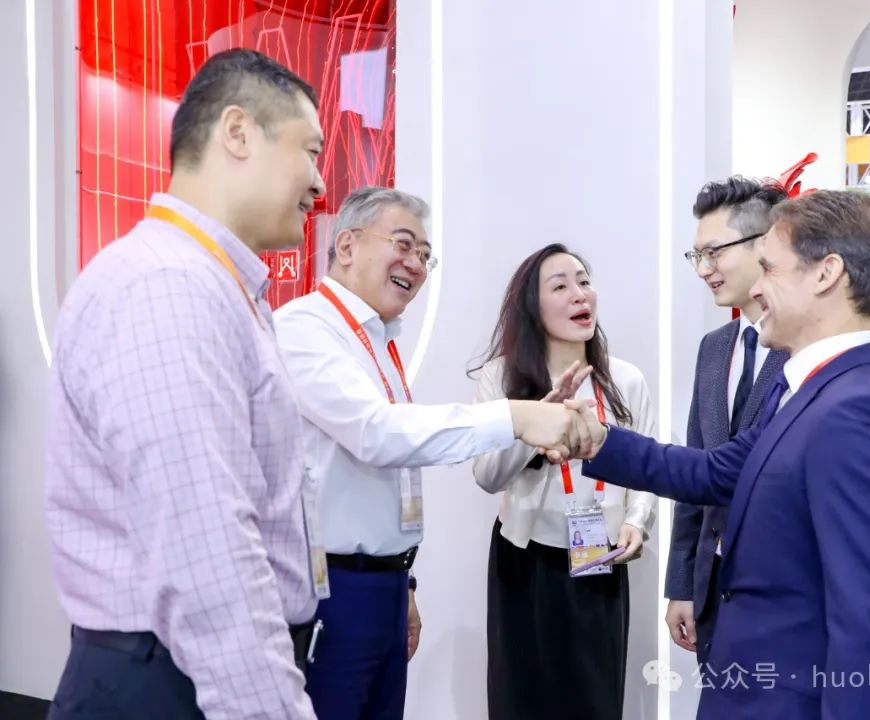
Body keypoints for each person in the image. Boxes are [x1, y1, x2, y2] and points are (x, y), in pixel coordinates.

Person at [45, 49, 328, 719]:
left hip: (184, 672)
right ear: (238, 132)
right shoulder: (169, 288)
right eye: (310, 151)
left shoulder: (209, 283)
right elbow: (207, 557)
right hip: (170, 682)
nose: (319, 182)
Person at [570, 191, 870, 720]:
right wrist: (594, 439)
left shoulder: (858, 411)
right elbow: (715, 471)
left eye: (770, 269)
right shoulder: (805, 389)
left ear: (826, 273)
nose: (756, 288)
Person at [273, 189, 589, 720]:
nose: (416, 265)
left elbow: (388, 475)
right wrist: (515, 417)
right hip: (330, 591)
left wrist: (405, 582)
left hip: (385, 586)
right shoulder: (304, 328)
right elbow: (378, 435)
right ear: (346, 246)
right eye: (403, 245)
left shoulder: (378, 340)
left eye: (424, 254)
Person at [472, 243, 658, 720]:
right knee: (522, 700)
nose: (580, 294)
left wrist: (637, 521)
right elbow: (487, 476)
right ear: (532, 307)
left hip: (599, 559)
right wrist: (538, 422)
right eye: (560, 286)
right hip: (524, 559)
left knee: (595, 701)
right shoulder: (501, 378)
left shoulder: (626, 379)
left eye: (584, 281)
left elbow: (646, 469)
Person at [666, 178, 789, 671]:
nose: (704, 270)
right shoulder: (714, 348)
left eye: (714, 253)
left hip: (781, 591)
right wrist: (681, 585)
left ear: (766, 244)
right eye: (697, 256)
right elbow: (695, 473)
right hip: (712, 587)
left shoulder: (804, 350)